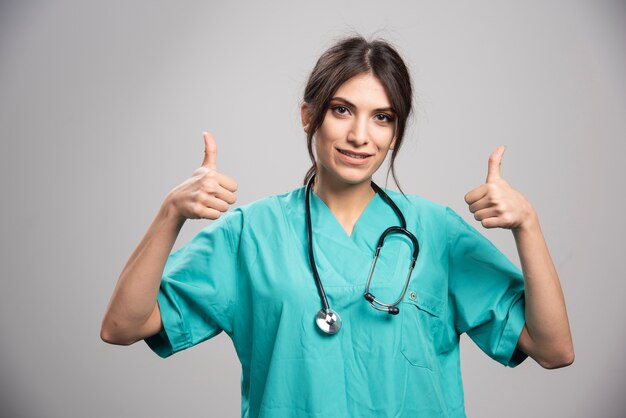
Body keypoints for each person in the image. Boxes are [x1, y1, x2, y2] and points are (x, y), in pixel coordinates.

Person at [100, 36, 574, 417]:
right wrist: (170, 214)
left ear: (394, 134)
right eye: (341, 110)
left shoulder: (436, 232)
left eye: (382, 118)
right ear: (310, 116)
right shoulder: (252, 233)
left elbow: (553, 350)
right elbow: (123, 326)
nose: (359, 136)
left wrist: (527, 225)